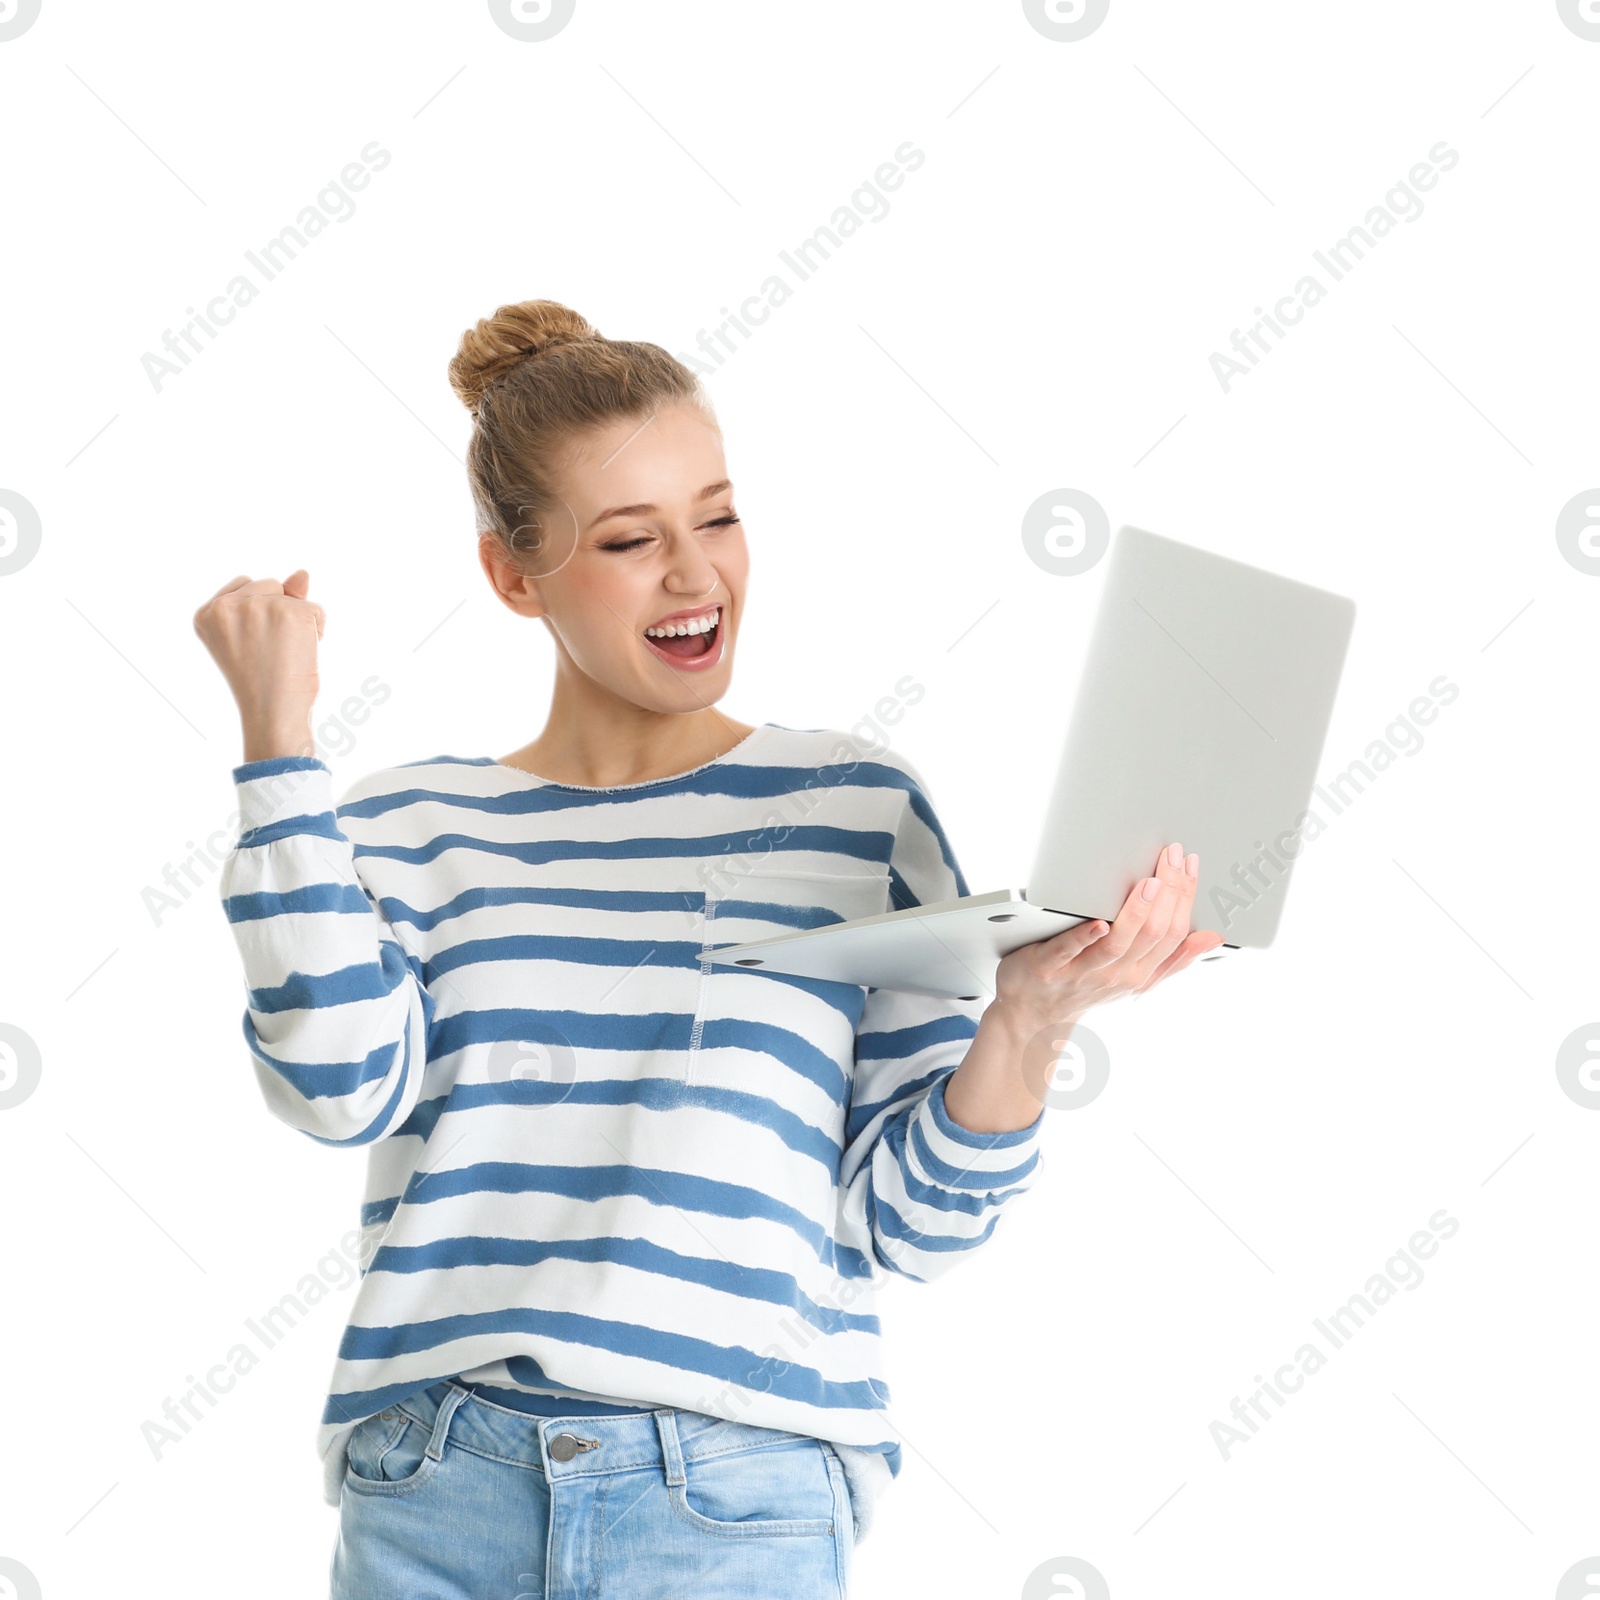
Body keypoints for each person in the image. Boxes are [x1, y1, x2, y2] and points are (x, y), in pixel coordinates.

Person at [192, 298, 1222, 1599]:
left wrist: (1026, 1022)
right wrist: (279, 752)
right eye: (630, 540)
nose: (695, 576)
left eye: (718, 517)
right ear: (515, 574)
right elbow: (335, 1091)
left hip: (739, 1493)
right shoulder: (405, 825)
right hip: (438, 1486)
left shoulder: (854, 807)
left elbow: (911, 1226)